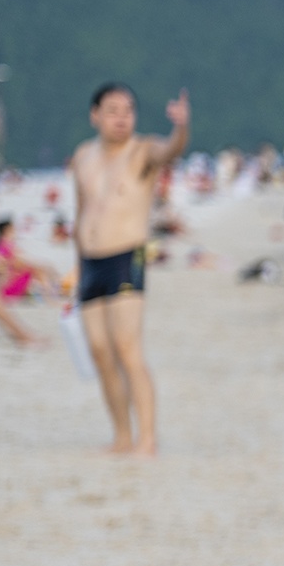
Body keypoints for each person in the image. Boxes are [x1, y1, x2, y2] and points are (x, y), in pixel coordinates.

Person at [70, 82, 189, 456]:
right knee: (100, 352)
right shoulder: (83, 157)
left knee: (127, 348)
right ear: (95, 115)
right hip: (90, 261)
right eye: (113, 110)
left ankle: (147, 438)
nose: (122, 118)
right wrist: (75, 267)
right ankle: (122, 435)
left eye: (128, 110)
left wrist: (181, 127)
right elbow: (80, 213)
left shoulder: (142, 151)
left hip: (125, 256)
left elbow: (171, 150)